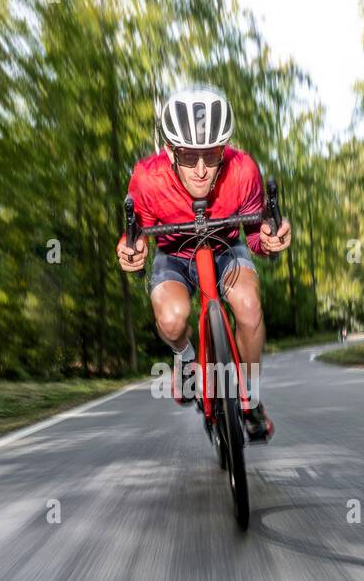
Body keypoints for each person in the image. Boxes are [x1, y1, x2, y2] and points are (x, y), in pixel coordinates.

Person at [116, 85, 291, 442]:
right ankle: (185, 359)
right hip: (173, 256)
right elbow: (135, 237)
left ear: (224, 150)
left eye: (211, 157)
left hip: (226, 249)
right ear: (169, 151)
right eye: (187, 155)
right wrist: (131, 253)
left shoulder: (243, 171)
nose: (199, 170)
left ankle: (251, 396)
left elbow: (257, 237)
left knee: (248, 305)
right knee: (171, 317)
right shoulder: (147, 178)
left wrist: (271, 241)